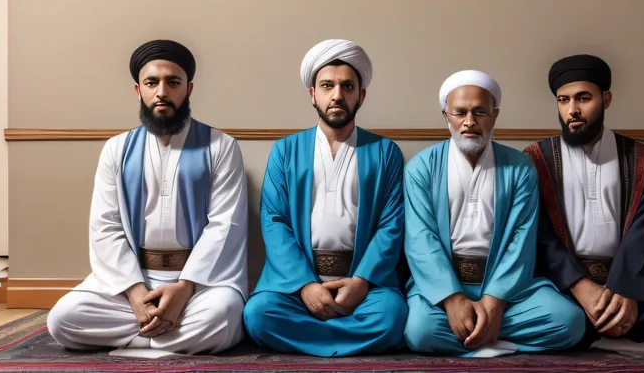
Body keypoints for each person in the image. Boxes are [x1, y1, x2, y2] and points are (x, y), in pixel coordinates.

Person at [47, 39, 248, 355]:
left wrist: (184, 289)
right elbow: (105, 227)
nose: (162, 92)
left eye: (173, 82)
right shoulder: (117, 149)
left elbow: (225, 226)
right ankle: (162, 335)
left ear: (189, 89)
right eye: (151, 82)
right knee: (62, 319)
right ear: (138, 90)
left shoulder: (221, 146)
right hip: (133, 280)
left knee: (222, 314)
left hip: (197, 285)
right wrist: (135, 293)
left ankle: (138, 337)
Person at [524, 54, 644, 350]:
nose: (572, 110)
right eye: (563, 100)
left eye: (583, 98)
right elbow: (540, 235)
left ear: (606, 99)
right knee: (559, 317)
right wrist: (582, 288)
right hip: (563, 285)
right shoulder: (536, 158)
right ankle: (601, 328)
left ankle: (597, 330)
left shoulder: (640, 157)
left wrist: (627, 291)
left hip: (628, 281)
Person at [242, 39, 407, 357]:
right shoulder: (285, 150)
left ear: (361, 95)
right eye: (327, 85)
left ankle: (313, 337)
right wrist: (306, 286)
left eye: (347, 86)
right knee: (258, 314)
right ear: (312, 94)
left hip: (363, 283)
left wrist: (360, 283)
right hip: (297, 284)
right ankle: (347, 337)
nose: (337, 95)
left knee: (393, 315)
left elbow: (392, 225)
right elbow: (274, 220)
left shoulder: (386, 152)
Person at [403, 70, 585, 357]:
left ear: (494, 115)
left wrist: (494, 300)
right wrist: (452, 300)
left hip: (507, 290)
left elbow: (521, 239)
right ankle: (495, 339)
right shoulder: (421, 167)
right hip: (443, 288)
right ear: (446, 116)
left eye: (479, 112)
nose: (469, 122)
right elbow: (420, 239)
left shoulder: (520, 167)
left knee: (569, 322)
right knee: (419, 331)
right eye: (459, 112)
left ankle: (475, 336)